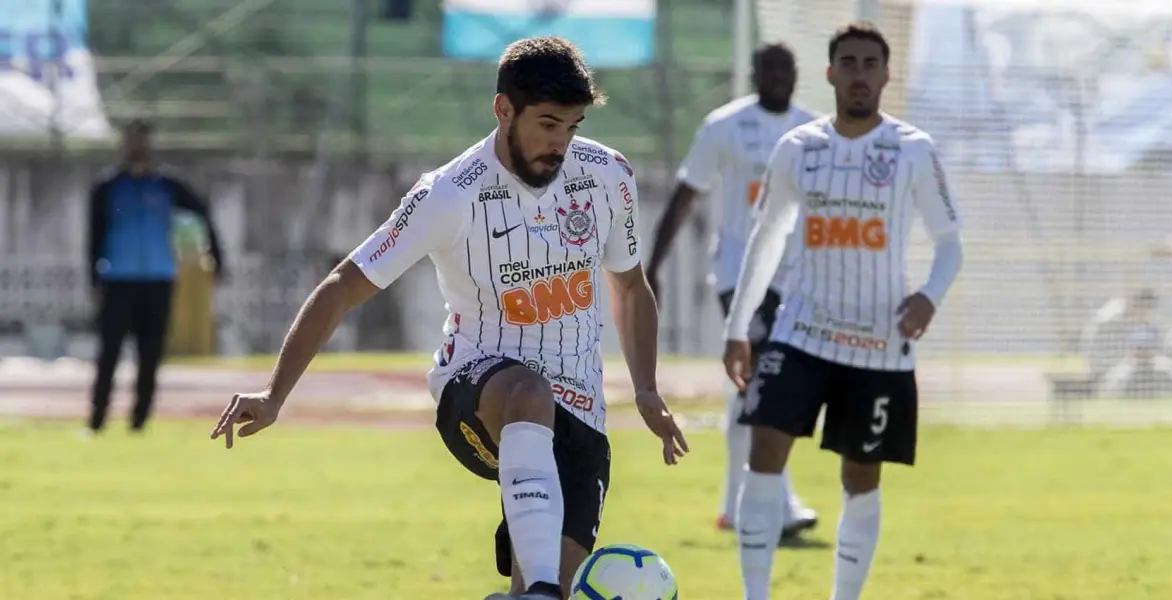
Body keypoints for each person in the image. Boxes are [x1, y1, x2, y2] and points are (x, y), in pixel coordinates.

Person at [207, 36, 688, 600]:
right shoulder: (449, 195)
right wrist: (274, 394)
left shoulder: (607, 177)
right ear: (503, 110)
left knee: (553, 587)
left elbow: (629, 287)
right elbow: (343, 286)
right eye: (548, 124)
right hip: (477, 390)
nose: (560, 145)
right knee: (527, 392)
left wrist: (647, 390)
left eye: (573, 127)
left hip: (581, 407)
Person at [721, 22, 964, 600]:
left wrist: (929, 295)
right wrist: (738, 329)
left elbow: (950, 242)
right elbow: (765, 240)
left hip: (880, 345)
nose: (859, 73)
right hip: (800, 332)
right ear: (830, 73)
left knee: (861, 480)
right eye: (848, 63)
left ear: (885, 74)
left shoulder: (913, 150)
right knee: (762, 456)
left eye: (870, 64)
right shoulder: (798, 149)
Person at [645, 42, 819, 538]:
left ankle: (736, 504)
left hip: (796, 276)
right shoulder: (723, 125)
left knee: (757, 387)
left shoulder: (814, 130)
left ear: (796, 74)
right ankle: (777, 503)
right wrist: (652, 267)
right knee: (765, 378)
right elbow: (685, 194)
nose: (779, 77)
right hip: (739, 274)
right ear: (755, 73)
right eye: (769, 69)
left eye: (787, 69)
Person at [87, 117, 225, 434]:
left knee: (150, 352)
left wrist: (217, 257)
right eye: (133, 139)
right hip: (118, 278)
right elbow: (93, 237)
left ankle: (139, 420)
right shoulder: (108, 187)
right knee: (109, 352)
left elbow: (203, 213)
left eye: (143, 139)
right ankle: (97, 420)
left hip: (158, 279)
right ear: (124, 143)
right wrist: (93, 280)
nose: (138, 146)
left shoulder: (167, 185)